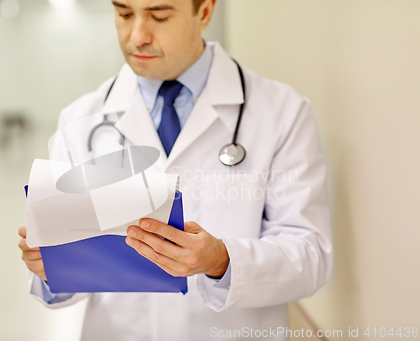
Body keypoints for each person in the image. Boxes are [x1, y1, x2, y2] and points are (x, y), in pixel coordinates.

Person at [18, 0, 333, 339]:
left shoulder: (282, 113)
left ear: (206, 12)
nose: (136, 35)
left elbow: (312, 255)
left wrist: (222, 261)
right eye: (124, 14)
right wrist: (52, 268)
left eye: (159, 15)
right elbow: (71, 277)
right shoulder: (80, 119)